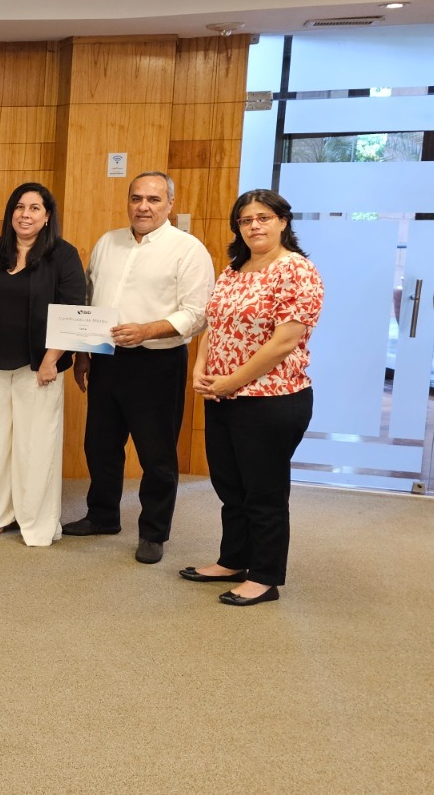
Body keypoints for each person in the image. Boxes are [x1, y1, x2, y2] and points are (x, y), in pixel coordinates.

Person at [64, 171, 214, 564]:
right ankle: (102, 516)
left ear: (170, 204)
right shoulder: (107, 242)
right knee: (100, 446)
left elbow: (197, 314)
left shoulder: (188, 249)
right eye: (136, 198)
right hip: (107, 359)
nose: (143, 206)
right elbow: (90, 300)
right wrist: (82, 354)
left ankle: (153, 532)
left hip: (158, 362)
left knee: (156, 454)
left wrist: (147, 329)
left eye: (153, 199)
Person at [184, 190, 321, 607]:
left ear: (283, 221)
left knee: (263, 491)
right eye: (245, 220)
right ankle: (233, 560)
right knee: (231, 486)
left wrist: (232, 382)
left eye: (264, 217)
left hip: (272, 398)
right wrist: (201, 368)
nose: (254, 226)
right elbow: (214, 325)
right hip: (223, 396)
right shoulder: (234, 270)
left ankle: (265, 576)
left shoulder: (297, 271)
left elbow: (284, 342)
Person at [0, 182, 85, 547]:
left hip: (40, 367)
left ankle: (34, 521)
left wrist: (53, 358)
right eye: (19, 207)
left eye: (35, 208)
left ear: (47, 216)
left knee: (35, 446)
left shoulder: (63, 255)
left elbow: (71, 310)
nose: (25, 214)